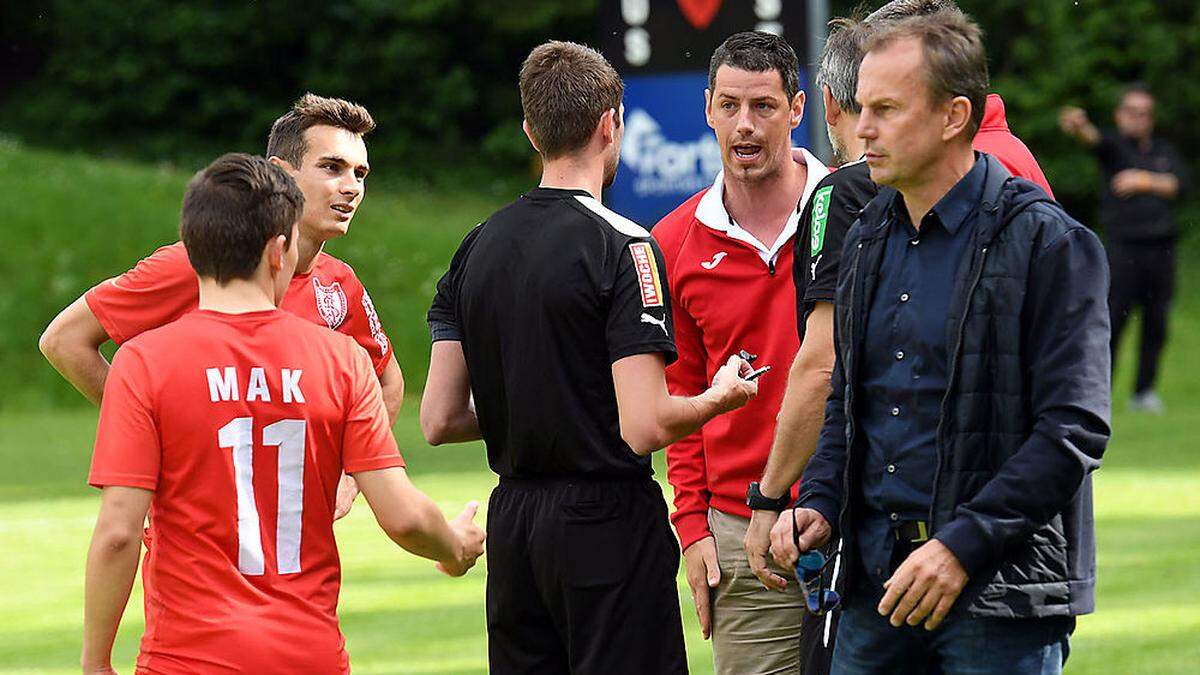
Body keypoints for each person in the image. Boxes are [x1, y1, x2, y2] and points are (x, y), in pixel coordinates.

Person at [771, 11, 1110, 674]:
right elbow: (848, 401)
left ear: (955, 115)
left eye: (886, 110)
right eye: (862, 107)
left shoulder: (1049, 243)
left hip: (998, 601)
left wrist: (960, 546)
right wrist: (817, 499)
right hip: (875, 589)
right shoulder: (866, 235)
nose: (861, 127)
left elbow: (1073, 428)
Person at [419, 41, 758, 674]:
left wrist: (538, 405)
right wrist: (721, 395)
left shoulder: (475, 248)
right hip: (605, 524)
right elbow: (645, 423)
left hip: (514, 525)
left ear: (530, 131)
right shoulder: (625, 245)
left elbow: (439, 419)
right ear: (611, 124)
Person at [82, 153, 484, 674]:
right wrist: (454, 546)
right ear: (280, 249)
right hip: (307, 655)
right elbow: (403, 515)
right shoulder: (342, 361)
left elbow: (118, 533)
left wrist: (95, 664)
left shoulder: (142, 363)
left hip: (185, 660)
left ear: (196, 248)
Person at [39, 93, 401, 518]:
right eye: (332, 167)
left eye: (360, 173)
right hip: (189, 549)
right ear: (281, 173)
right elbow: (65, 340)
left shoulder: (340, 285)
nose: (351, 187)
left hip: (293, 558)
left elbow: (388, 384)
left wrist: (351, 476)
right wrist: (152, 435)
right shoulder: (195, 264)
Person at [650, 31, 829, 673]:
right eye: (729, 106)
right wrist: (693, 528)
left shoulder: (857, 212)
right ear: (707, 109)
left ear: (798, 108)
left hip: (856, 507)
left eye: (763, 106)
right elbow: (681, 398)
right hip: (739, 527)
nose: (744, 126)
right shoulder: (674, 240)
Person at [1060, 84, 1190, 412]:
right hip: (1124, 248)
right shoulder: (1115, 147)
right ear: (1120, 116)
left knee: (1156, 322)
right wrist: (1079, 126)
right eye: (1132, 112)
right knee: (1114, 320)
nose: (1139, 119)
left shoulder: (1162, 150)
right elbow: (1093, 141)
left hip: (1161, 249)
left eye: (1145, 113)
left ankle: (1144, 392)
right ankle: (1099, 391)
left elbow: (1182, 184)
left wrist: (1143, 180)